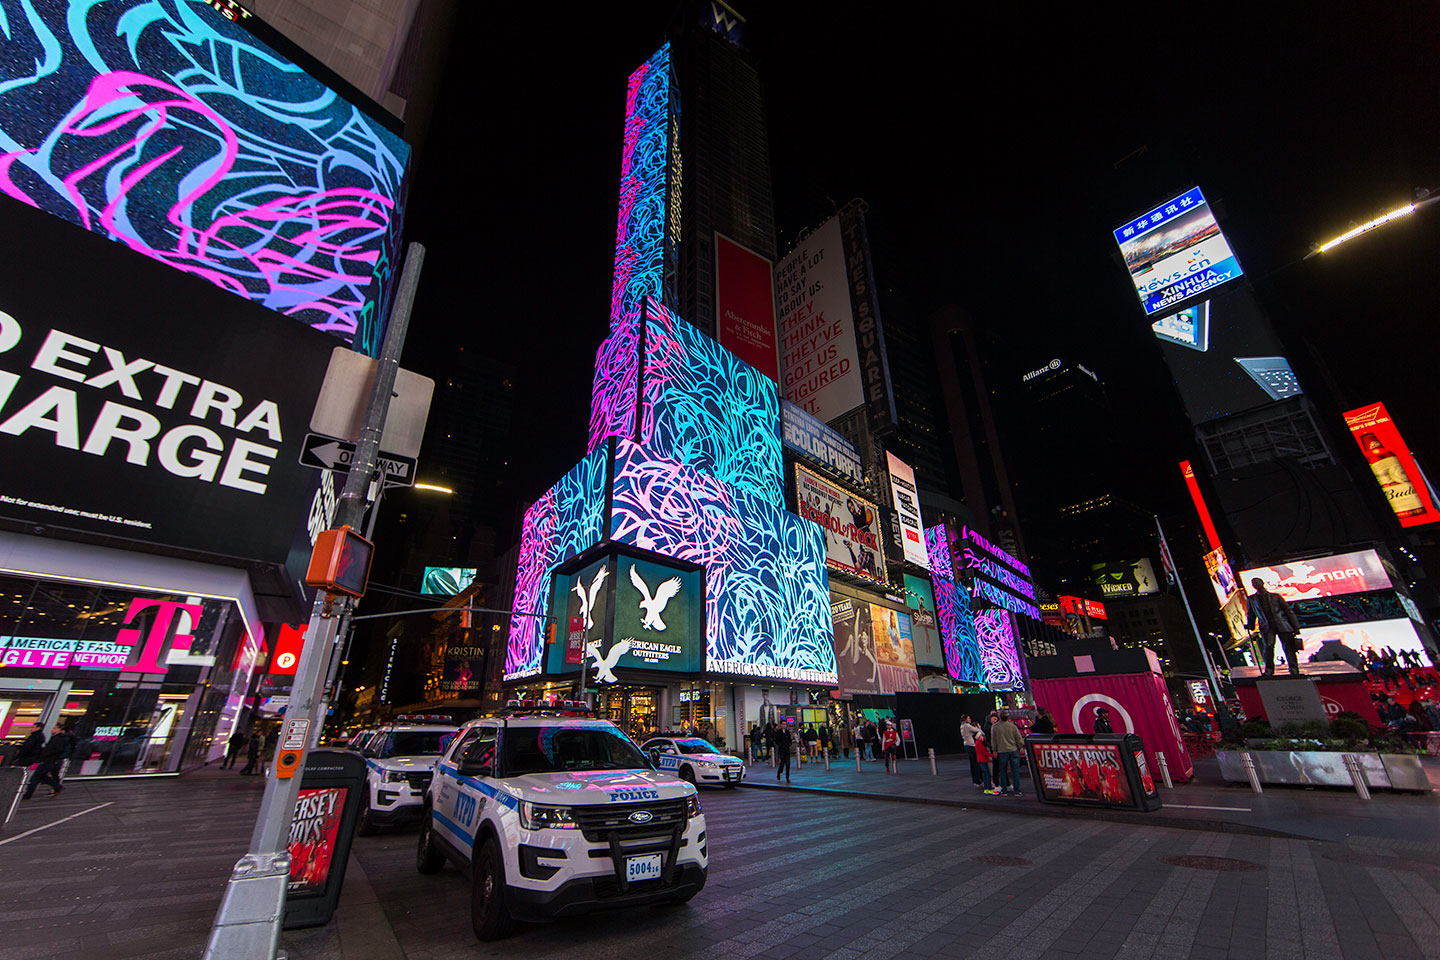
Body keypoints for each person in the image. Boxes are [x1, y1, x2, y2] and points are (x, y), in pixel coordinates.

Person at [1247, 578, 1302, 676]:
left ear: (1262, 583)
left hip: (1281, 625)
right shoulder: (1252, 599)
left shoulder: (1275, 597)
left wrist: (1296, 627)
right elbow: (1251, 614)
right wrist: (1250, 625)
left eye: (1257, 582)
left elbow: (1288, 611)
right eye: (1253, 583)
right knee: (1268, 648)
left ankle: (1293, 668)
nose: (1255, 584)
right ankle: (1269, 670)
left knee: (1289, 647)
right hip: (1266, 626)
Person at [23, 724, 75, 798]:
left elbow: (55, 750)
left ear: (59, 730)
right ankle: (57, 787)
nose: (52, 730)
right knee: (44, 776)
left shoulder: (59, 739)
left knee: (37, 776)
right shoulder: (57, 738)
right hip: (52, 760)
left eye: (54, 728)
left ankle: (28, 794)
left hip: (50, 760)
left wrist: (44, 756)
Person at [990, 713, 1025, 797]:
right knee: (1015, 771)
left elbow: (993, 740)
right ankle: (1017, 791)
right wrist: (1020, 747)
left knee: (1002, 771)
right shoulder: (1012, 726)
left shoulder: (995, 727)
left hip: (1002, 751)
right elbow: (1019, 739)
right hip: (1013, 750)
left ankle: (1004, 790)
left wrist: (994, 750)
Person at [960, 715, 983, 788]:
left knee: (972, 764)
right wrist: (978, 728)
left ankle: (975, 781)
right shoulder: (967, 726)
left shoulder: (962, 726)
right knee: (976, 764)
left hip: (966, 745)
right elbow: (977, 731)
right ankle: (978, 780)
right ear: (966, 719)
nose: (970, 719)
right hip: (971, 745)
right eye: (969, 718)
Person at [974, 727, 997, 794]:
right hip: (983, 760)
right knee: (987, 774)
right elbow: (984, 752)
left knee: (985, 774)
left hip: (981, 760)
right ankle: (989, 788)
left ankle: (987, 788)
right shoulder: (979, 743)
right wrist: (993, 755)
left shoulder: (977, 743)